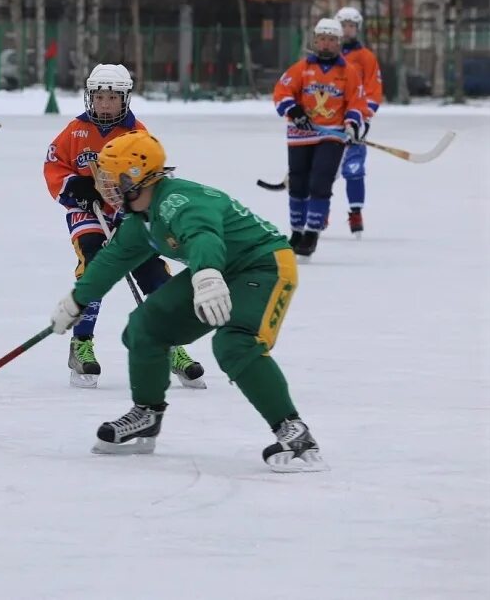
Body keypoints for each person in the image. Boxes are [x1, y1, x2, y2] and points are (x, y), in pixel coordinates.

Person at [50, 131, 327, 473]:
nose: (104, 186)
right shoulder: (142, 219)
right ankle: (147, 413)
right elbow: (112, 261)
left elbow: (202, 234)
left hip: (263, 264)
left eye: (111, 178)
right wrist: (76, 301)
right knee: (146, 326)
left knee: (235, 343)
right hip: (215, 268)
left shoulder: (176, 201)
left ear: (135, 177)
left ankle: (293, 430)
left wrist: (208, 273)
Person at [42, 63, 205, 389]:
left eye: (112, 98)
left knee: (154, 275)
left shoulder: (138, 133)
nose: (104, 104)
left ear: (125, 99)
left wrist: (130, 205)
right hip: (87, 213)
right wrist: (73, 186)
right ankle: (82, 343)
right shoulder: (75, 131)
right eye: (99, 97)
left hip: (130, 214)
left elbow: (151, 175)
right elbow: (54, 164)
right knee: (94, 262)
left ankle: (171, 344)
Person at [272, 17, 367, 257]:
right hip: (300, 134)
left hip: (331, 135)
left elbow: (357, 102)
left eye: (331, 40)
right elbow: (282, 92)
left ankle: (312, 233)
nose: (325, 44)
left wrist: (352, 123)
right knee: (298, 183)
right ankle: (296, 231)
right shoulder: (301, 68)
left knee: (320, 182)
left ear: (339, 43)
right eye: (321, 39)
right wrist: (294, 111)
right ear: (315, 41)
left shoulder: (349, 72)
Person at [334, 7, 383, 236]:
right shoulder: (327, 57)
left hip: (355, 121)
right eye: (343, 25)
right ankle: (319, 211)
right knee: (324, 170)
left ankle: (355, 212)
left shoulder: (366, 57)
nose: (347, 30)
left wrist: (363, 119)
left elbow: (374, 90)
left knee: (354, 169)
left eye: (351, 26)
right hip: (328, 122)